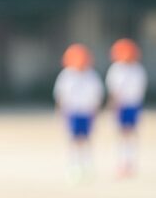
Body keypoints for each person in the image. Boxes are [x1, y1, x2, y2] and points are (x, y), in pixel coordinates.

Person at [53, 43, 104, 183]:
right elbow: (60, 96)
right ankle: (74, 166)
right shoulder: (66, 75)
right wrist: (60, 113)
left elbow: (97, 96)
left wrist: (96, 113)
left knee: (87, 139)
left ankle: (87, 165)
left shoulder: (91, 76)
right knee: (73, 140)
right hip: (72, 112)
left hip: (87, 112)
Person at [106, 38, 147, 177]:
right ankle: (122, 162)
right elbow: (113, 90)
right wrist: (113, 105)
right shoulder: (116, 69)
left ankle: (130, 162)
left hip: (133, 105)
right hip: (121, 105)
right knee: (122, 134)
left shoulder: (138, 69)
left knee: (131, 133)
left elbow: (140, 90)